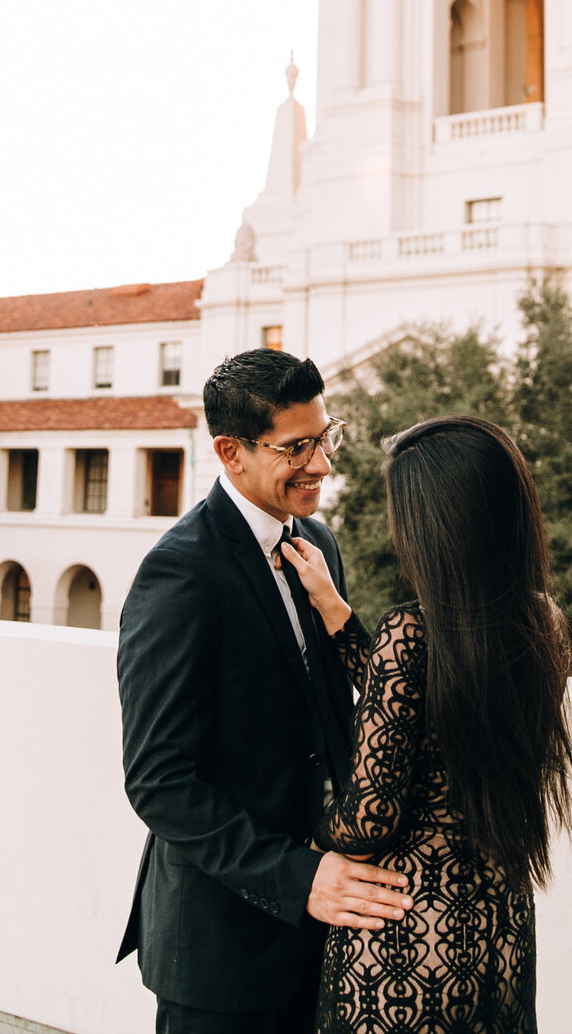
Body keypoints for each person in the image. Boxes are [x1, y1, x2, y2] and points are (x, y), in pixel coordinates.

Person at [117, 348, 415, 1033]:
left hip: (324, 942)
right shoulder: (178, 572)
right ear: (231, 451)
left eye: (326, 435)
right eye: (297, 447)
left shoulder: (318, 541)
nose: (323, 464)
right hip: (222, 952)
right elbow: (159, 780)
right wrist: (299, 876)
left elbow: (332, 718)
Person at [278, 416, 572, 1034]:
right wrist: (337, 615)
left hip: (404, 944)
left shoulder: (410, 632)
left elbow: (371, 817)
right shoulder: (541, 622)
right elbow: (434, 705)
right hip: (501, 936)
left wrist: (302, 848)